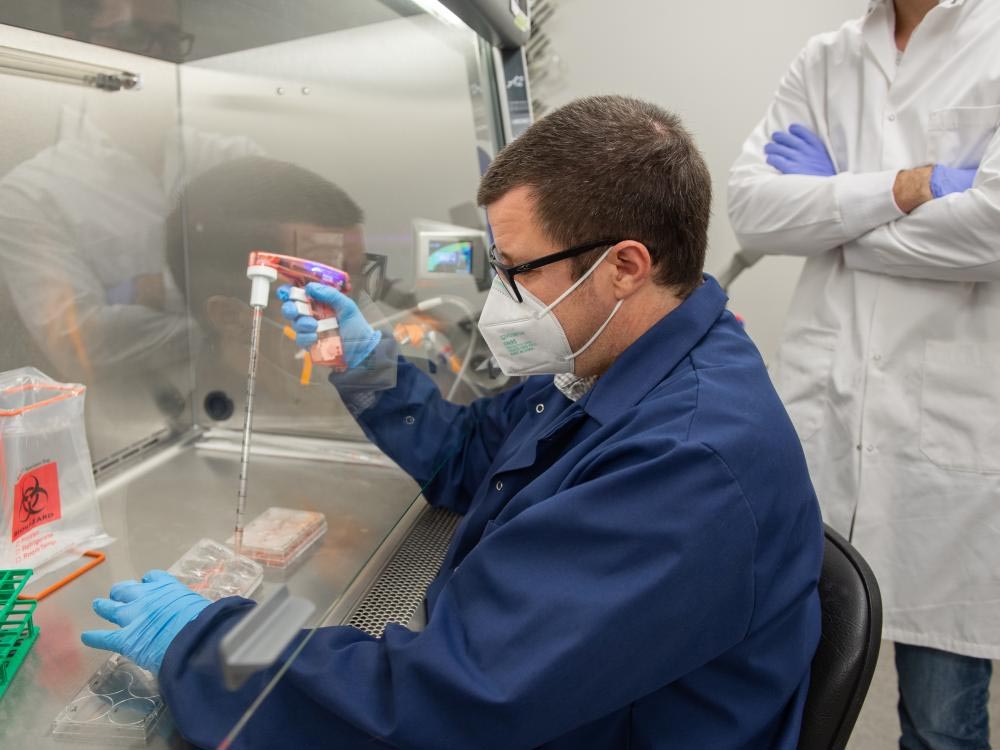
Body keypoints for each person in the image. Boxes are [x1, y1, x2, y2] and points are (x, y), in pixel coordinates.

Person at [82, 95, 824, 750]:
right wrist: (365, 364)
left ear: (624, 266)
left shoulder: (686, 464)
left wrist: (206, 641)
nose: (502, 296)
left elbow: (450, 703)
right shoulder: (610, 366)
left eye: (518, 270)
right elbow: (470, 458)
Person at [728, 2, 1000, 748]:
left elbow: (994, 230)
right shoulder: (825, 57)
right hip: (826, 417)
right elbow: (755, 213)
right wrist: (908, 188)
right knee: (781, 694)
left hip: (946, 432)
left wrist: (837, 207)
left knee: (942, 722)